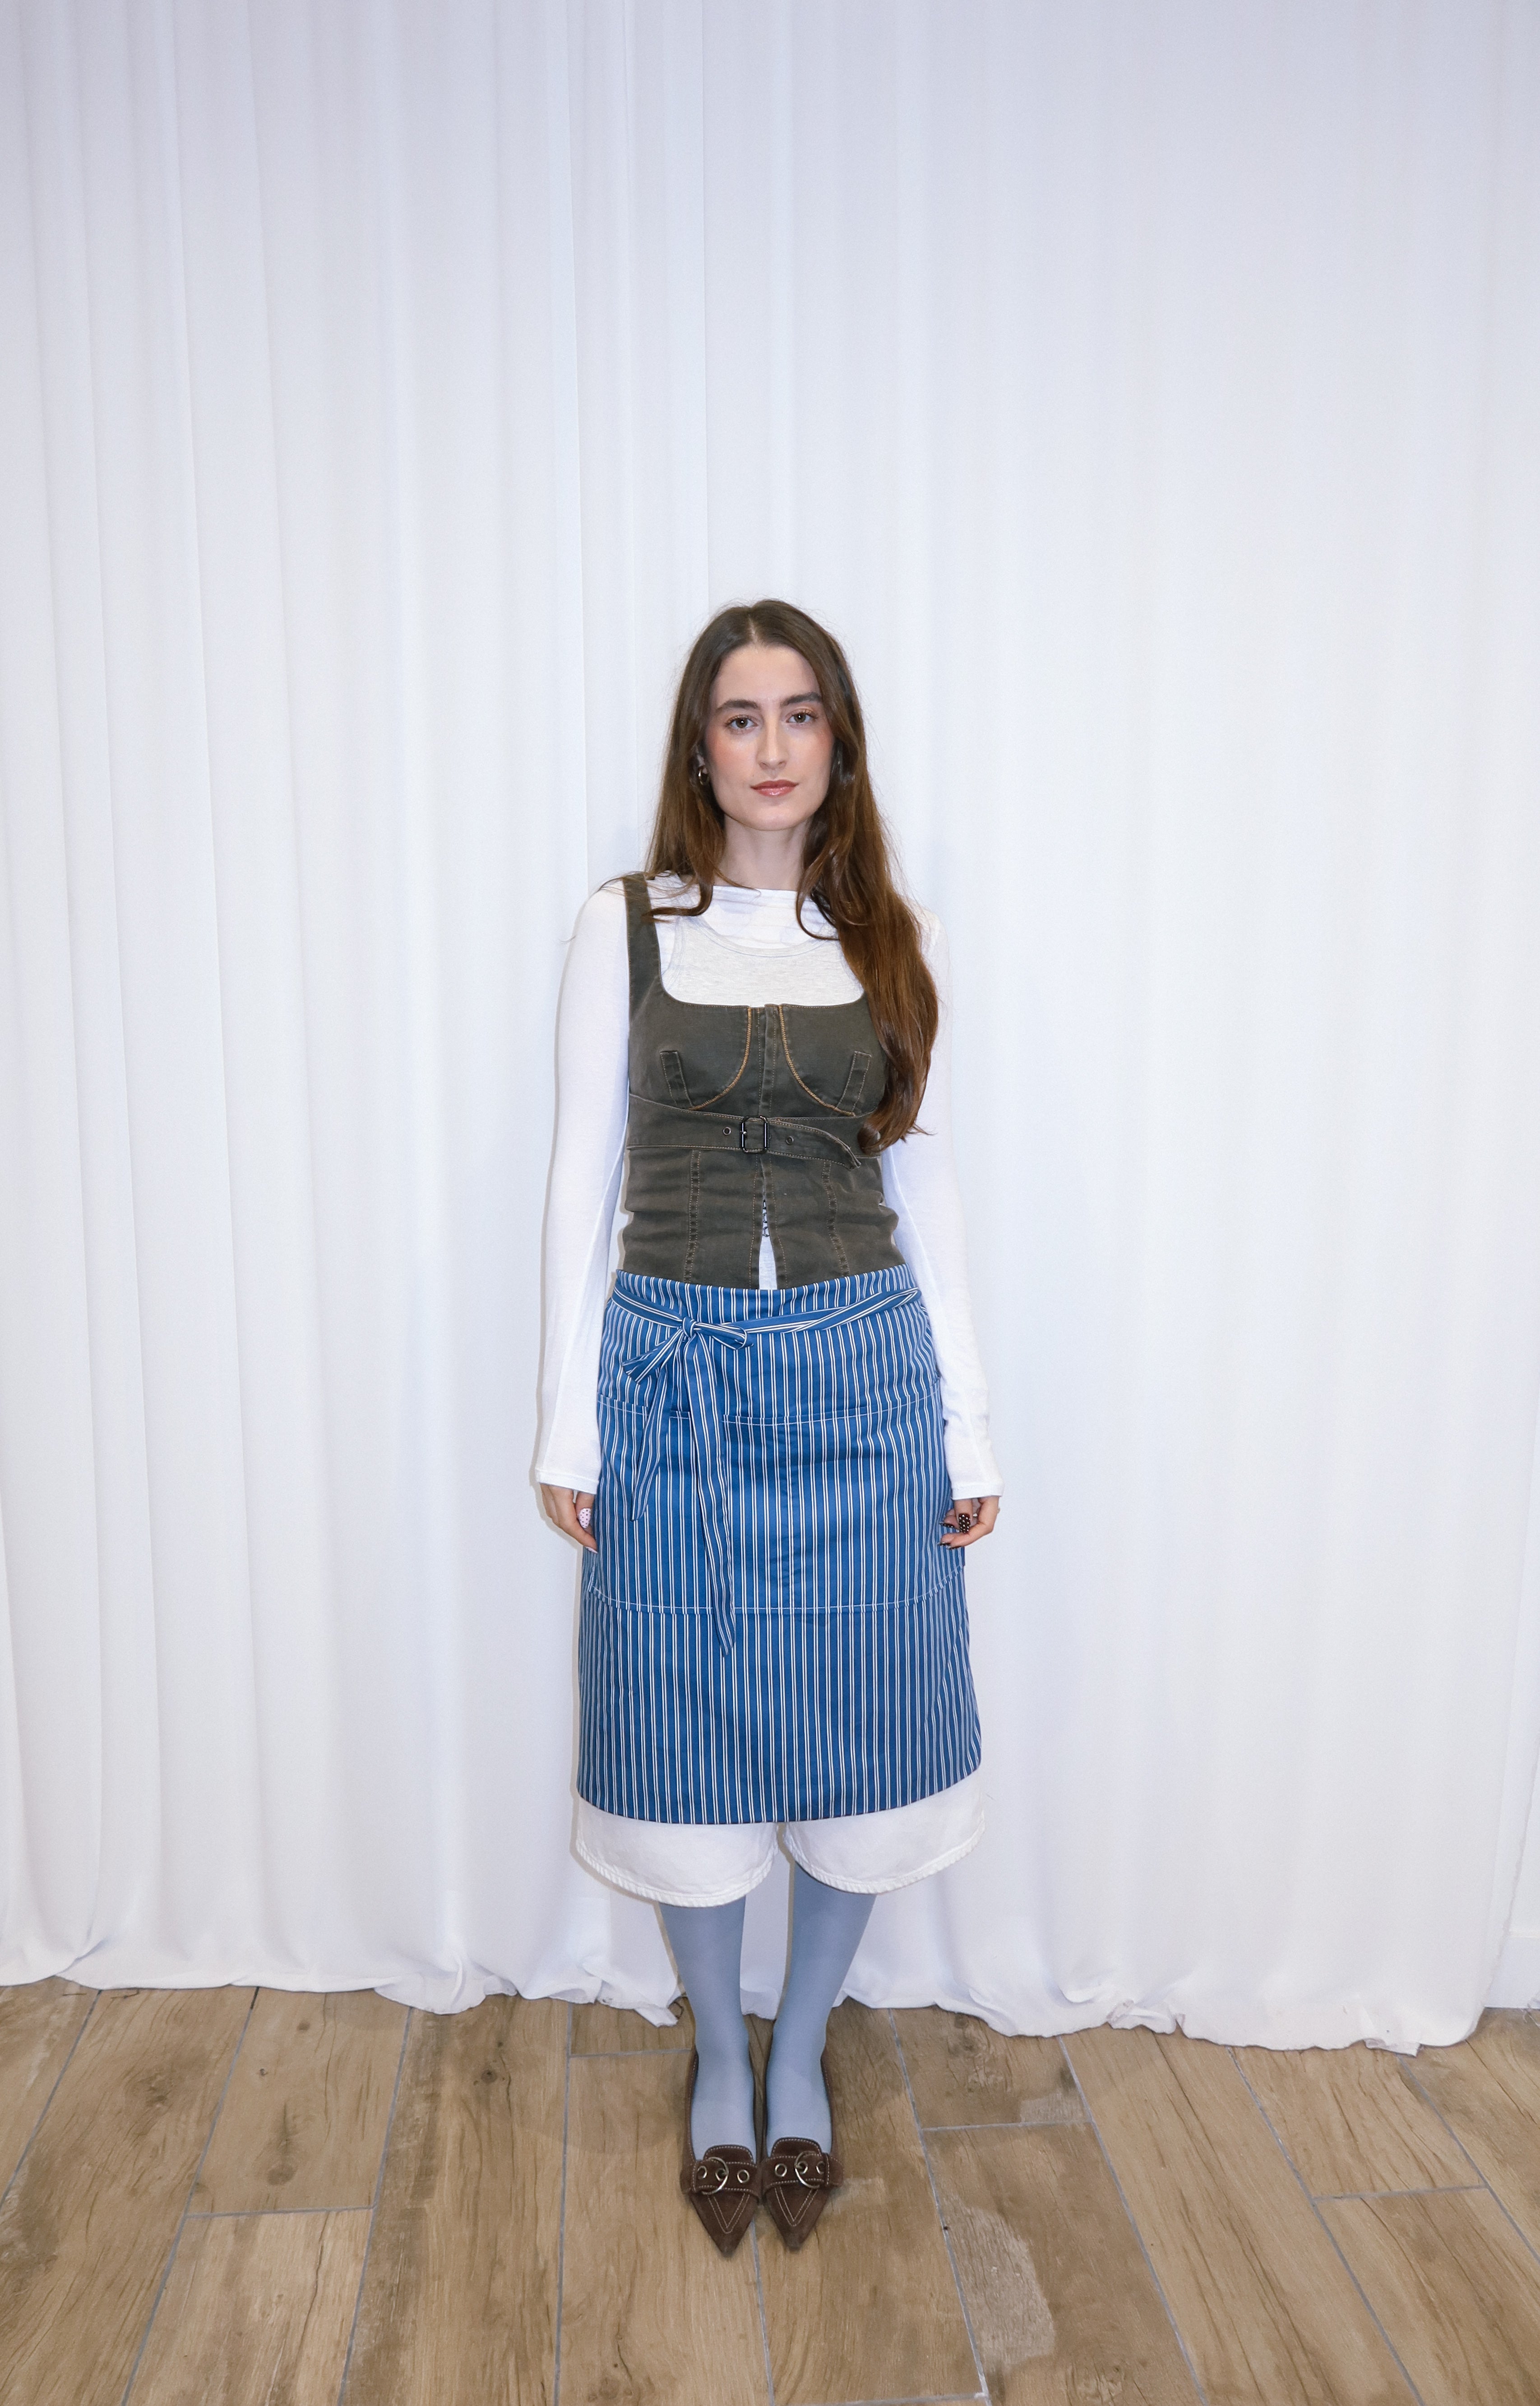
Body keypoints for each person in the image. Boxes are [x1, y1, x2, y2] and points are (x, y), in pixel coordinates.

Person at [537, 599, 1000, 2255]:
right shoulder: (627, 928)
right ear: (700, 748)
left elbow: (923, 1191)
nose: (774, 746)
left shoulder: (888, 938)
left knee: (864, 1730)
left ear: (838, 743)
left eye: (802, 715)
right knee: (684, 1728)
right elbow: (581, 1185)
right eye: (742, 718)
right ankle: (717, 2056)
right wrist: (569, 1431)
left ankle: (802, 2047)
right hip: (670, 1372)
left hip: (862, 1375)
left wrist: (973, 1435)